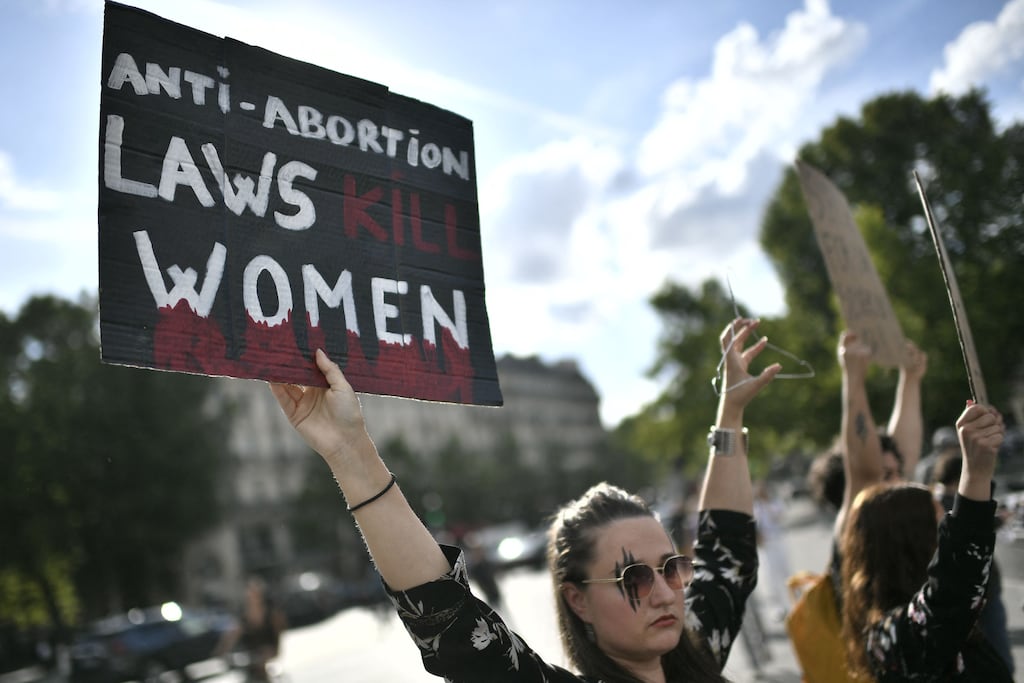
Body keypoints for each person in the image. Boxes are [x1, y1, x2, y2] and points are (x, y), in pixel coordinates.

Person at [269, 318, 781, 682]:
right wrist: (350, 453)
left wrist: (731, 414)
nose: (668, 593)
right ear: (577, 599)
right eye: (636, 578)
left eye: (669, 568)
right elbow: (449, 622)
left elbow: (726, 555)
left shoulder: (697, 649)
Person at [839, 400, 1011, 681]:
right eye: (941, 524)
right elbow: (955, 588)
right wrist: (976, 473)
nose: (946, 536)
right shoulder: (893, 638)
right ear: (910, 542)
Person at [933, 452, 1014, 676]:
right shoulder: (944, 504)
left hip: (981, 590)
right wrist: (998, 519)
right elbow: (974, 523)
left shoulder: (941, 500)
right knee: (994, 661)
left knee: (997, 659)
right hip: (971, 593)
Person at [216, 576, 286, 682]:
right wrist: (221, 651)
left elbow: (278, 636)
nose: (253, 597)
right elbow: (232, 635)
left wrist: (274, 651)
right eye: (250, 594)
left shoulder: (272, 614)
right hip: (251, 657)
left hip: (266, 655)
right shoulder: (244, 617)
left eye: (255, 593)